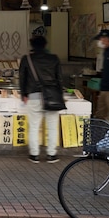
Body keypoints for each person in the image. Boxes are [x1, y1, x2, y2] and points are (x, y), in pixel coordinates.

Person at [19, 36, 63, 164]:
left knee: (33, 127)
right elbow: (59, 78)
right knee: (52, 126)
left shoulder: (27, 59)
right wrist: (60, 94)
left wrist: (24, 94)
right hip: (52, 96)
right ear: (45, 45)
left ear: (32, 45)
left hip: (33, 96)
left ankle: (34, 154)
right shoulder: (54, 58)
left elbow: (22, 78)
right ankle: (51, 154)